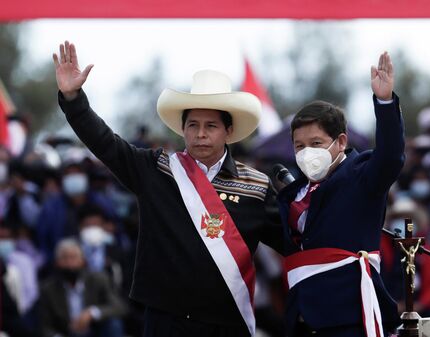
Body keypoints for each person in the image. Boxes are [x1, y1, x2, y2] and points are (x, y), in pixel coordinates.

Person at [53, 41, 282, 337]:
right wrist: (73, 99)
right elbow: (105, 143)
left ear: (228, 131)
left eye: (211, 126)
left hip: (229, 322)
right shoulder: (156, 169)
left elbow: (294, 239)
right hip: (166, 320)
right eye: (193, 125)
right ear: (182, 129)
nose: (200, 134)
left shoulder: (256, 185)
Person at [277, 52, 405, 337]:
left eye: (316, 143)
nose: (307, 152)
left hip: (350, 316)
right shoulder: (293, 193)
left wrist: (384, 103)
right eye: (299, 146)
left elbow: (391, 157)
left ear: (341, 142)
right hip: (302, 316)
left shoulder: (362, 177)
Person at [40, 239, 127, 337]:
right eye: (64, 258)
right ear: (57, 262)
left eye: (73, 257)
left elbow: (120, 307)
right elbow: (44, 325)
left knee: (114, 324)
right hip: (67, 333)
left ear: (83, 261)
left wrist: (92, 313)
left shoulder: (98, 280)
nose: (69, 263)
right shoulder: (48, 289)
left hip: (95, 331)